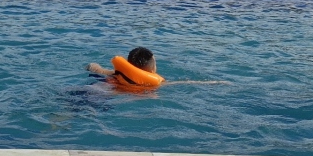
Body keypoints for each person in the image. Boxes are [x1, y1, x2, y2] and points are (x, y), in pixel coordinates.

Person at [86, 47, 228, 86]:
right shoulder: (153, 83)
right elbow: (186, 83)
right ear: (151, 66)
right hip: (105, 97)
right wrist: (217, 82)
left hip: (97, 86)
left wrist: (91, 66)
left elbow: (93, 66)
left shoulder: (111, 73)